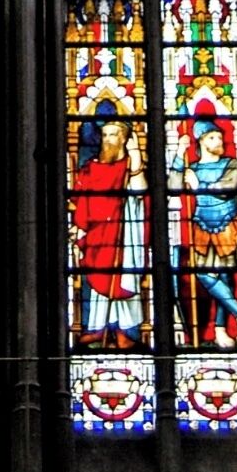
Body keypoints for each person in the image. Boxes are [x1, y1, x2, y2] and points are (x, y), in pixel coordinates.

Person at [70, 109, 149, 348]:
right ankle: (97, 327)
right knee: (99, 278)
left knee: (124, 279)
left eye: (113, 134)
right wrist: (80, 228)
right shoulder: (91, 167)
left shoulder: (129, 167)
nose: (107, 140)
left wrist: (135, 159)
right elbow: (82, 199)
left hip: (125, 230)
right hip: (97, 233)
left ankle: (127, 330)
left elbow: (139, 192)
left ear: (125, 138)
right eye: (104, 135)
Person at [176, 118, 237, 348]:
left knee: (226, 277)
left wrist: (199, 185)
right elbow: (172, 183)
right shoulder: (193, 168)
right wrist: (180, 154)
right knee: (205, 274)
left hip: (228, 223)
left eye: (219, 136)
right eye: (212, 137)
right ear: (200, 141)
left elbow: (228, 187)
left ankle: (221, 331)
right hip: (202, 225)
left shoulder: (233, 164)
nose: (218, 140)